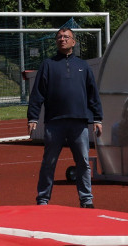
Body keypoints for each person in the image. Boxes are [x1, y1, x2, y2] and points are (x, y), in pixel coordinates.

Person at [26, 27, 103, 208]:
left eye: (66, 37)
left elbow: (93, 94)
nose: (62, 39)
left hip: (79, 123)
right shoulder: (48, 64)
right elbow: (37, 93)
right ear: (56, 42)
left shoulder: (83, 66)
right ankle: (43, 199)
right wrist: (33, 118)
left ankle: (86, 199)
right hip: (55, 122)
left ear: (73, 42)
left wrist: (98, 118)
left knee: (83, 162)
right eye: (59, 37)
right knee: (49, 162)